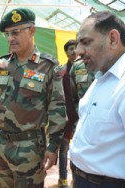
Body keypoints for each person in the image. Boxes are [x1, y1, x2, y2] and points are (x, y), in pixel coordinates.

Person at [0, 8, 66, 188]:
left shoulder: (47, 66)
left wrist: (53, 146)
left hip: (29, 148)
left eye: (16, 32)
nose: (11, 38)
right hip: (0, 144)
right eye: (8, 34)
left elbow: (57, 109)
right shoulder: (3, 63)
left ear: (32, 31)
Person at [69, 11, 125, 188]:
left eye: (86, 42)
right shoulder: (102, 77)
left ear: (113, 39)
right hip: (84, 179)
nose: (78, 51)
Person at [56, 40, 79, 188]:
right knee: (63, 149)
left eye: (75, 48)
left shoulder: (86, 68)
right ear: (66, 52)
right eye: (70, 49)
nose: (74, 51)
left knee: (78, 149)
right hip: (65, 116)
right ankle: (63, 178)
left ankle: (76, 178)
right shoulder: (62, 71)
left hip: (80, 116)